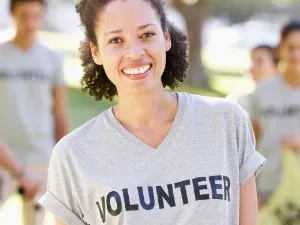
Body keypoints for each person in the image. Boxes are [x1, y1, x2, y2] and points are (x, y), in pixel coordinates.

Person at [39, 0, 265, 224]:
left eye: (146, 35)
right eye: (116, 40)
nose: (135, 53)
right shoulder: (73, 155)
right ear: (96, 51)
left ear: (166, 37)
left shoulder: (225, 121)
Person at [0, 0, 69, 223]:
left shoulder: (53, 59)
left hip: (41, 156)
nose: (30, 23)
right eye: (24, 16)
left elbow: (59, 112)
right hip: (4, 157)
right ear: (13, 15)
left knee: (37, 220)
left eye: (36, 16)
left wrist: (65, 158)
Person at [246, 20, 300, 208]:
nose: (296, 55)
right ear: (280, 49)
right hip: (268, 195)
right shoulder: (262, 92)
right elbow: (251, 146)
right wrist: (252, 192)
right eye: (290, 47)